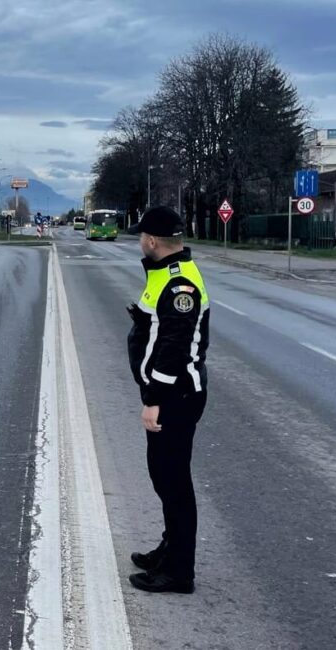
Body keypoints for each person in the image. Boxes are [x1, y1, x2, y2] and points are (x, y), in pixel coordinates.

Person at [125, 206, 210, 594]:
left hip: (175, 396)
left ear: (152, 240)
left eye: (141, 237)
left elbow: (174, 348)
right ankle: (170, 549)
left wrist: (154, 398)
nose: (140, 242)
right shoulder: (164, 273)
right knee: (164, 477)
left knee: (173, 482)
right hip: (172, 395)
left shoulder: (179, 285)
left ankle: (179, 572)